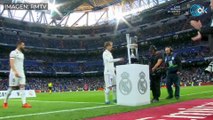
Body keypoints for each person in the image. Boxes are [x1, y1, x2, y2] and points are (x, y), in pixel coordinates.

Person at [3, 40, 32, 109]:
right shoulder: (13, 52)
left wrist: (21, 72)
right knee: (11, 88)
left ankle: (24, 103)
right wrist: (15, 71)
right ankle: (5, 102)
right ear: (19, 45)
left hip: (21, 73)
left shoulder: (22, 54)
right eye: (23, 45)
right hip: (14, 73)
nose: (24, 46)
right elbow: (11, 63)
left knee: (22, 87)